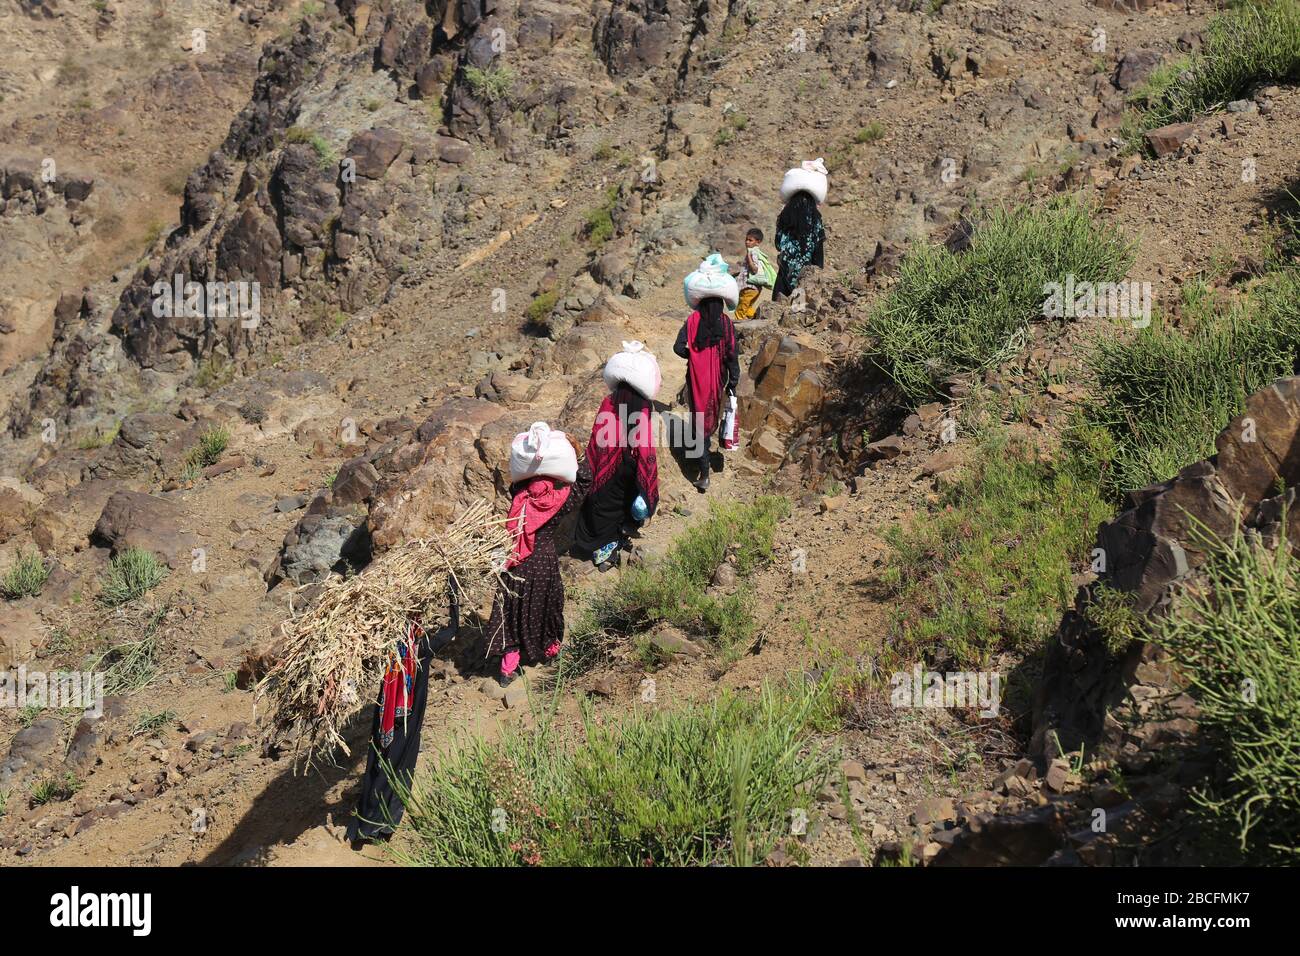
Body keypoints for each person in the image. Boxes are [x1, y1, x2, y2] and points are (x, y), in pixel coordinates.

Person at [348, 586, 459, 845]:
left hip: (385, 720)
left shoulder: (389, 648)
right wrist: (453, 595)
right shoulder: (424, 647)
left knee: (379, 765)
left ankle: (368, 822)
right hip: (408, 719)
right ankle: (382, 826)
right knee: (400, 768)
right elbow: (453, 630)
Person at [485, 422, 591, 685]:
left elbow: (517, 478)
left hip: (515, 562)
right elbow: (585, 481)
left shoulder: (520, 496)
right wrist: (578, 454)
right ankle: (548, 649)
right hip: (543, 562)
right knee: (545, 605)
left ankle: (507, 669)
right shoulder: (559, 499)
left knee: (511, 609)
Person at [573, 341, 661, 571]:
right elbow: (644, 446)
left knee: (603, 505)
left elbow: (598, 438)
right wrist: (646, 475)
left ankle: (601, 548)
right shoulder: (642, 406)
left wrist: (597, 463)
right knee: (623, 502)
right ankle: (611, 548)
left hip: (605, 466)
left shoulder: (608, 401)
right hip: (629, 466)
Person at [676, 256, 741, 492]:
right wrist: (733, 381)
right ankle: (705, 462)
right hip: (718, 381)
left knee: (698, 421)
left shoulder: (692, 321)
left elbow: (677, 347)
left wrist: (692, 356)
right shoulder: (726, 324)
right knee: (712, 418)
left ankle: (702, 472)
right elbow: (732, 354)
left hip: (695, 382)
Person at [774, 159, 828, 302]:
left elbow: (778, 244)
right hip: (805, 276)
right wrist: (818, 272)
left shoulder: (784, 218)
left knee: (778, 306)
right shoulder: (815, 220)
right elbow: (818, 249)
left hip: (785, 271)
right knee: (799, 310)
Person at [736, 227, 776, 322]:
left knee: (740, 309)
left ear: (757, 242)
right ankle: (758, 319)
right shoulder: (755, 252)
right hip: (754, 288)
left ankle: (737, 328)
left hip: (750, 287)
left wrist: (749, 257)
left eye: (750, 240)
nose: (747, 242)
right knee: (748, 307)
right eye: (746, 239)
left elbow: (754, 269)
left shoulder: (753, 253)